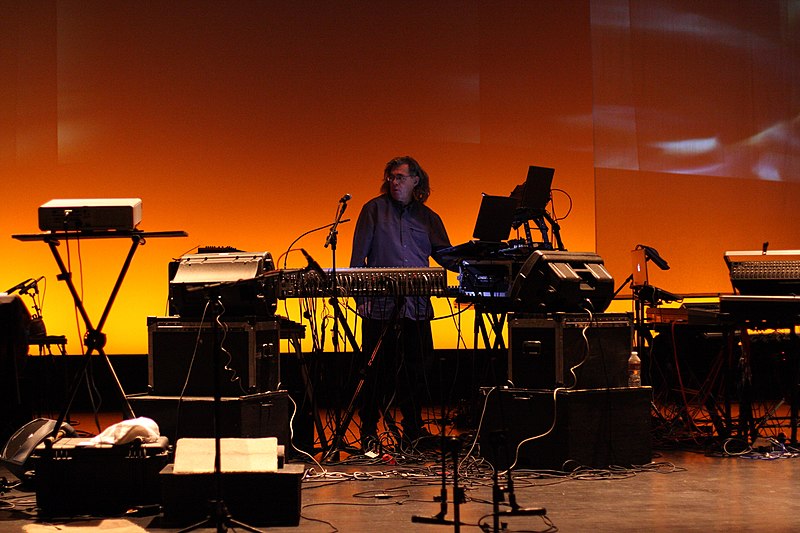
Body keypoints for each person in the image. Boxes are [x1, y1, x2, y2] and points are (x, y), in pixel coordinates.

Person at [349, 155, 452, 450]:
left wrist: (477, 259)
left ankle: (413, 433)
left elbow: (445, 255)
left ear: (415, 180)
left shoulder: (428, 217)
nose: (394, 183)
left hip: (416, 307)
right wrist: (360, 298)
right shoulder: (373, 210)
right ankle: (368, 433)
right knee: (375, 371)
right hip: (379, 307)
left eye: (400, 178)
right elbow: (358, 261)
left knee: (417, 371)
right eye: (391, 177)